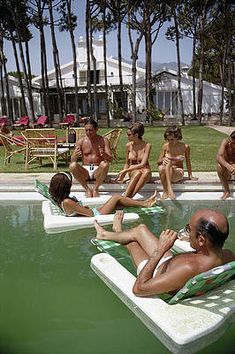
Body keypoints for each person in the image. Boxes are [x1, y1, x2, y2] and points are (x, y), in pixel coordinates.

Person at [94, 208, 235, 297]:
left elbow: (139, 289)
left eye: (188, 229)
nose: (187, 232)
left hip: (153, 272)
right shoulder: (228, 256)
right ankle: (116, 233)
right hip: (170, 264)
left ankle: (112, 233)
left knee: (132, 243)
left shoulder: (189, 268)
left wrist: (160, 249)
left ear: (201, 240)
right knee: (141, 229)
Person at [49, 172, 158, 217]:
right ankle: (145, 203)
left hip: (94, 211)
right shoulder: (67, 202)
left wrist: (79, 208)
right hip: (97, 214)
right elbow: (90, 214)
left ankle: (142, 203)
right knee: (116, 197)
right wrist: (83, 208)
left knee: (119, 203)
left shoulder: (59, 199)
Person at [69, 118, 113, 197]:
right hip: (85, 170)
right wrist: (75, 156)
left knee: (105, 164)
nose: (88, 132)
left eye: (90, 130)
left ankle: (96, 188)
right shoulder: (81, 141)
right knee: (72, 166)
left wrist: (103, 154)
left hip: (98, 170)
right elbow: (72, 161)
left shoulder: (103, 140)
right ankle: (87, 189)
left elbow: (110, 159)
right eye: (86, 130)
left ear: (96, 129)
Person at [157, 126, 197, 200]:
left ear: (178, 136)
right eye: (168, 139)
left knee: (167, 163)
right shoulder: (166, 146)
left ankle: (168, 189)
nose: (170, 141)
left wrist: (190, 175)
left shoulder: (185, 147)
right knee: (161, 167)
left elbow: (188, 161)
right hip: (166, 171)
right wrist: (163, 159)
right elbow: (158, 161)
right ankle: (166, 191)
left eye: (172, 139)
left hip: (177, 172)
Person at [116, 122, 152, 197]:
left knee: (146, 171)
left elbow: (143, 164)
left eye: (129, 135)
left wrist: (126, 170)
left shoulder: (147, 145)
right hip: (133, 171)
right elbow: (127, 163)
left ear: (136, 135)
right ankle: (128, 197)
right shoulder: (128, 146)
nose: (127, 137)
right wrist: (122, 176)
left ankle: (128, 197)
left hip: (145, 170)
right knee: (138, 173)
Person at [216, 130, 235, 200]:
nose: (231, 144)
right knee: (219, 166)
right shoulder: (226, 142)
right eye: (231, 142)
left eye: (234, 143)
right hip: (228, 170)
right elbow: (218, 156)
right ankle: (227, 191)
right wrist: (228, 166)